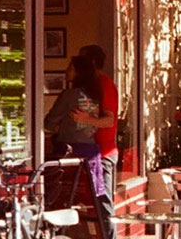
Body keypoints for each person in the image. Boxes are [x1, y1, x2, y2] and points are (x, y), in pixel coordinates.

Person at [45, 55, 106, 206]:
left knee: (66, 196)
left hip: (70, 151)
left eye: (71, 68)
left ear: (80, 73)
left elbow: (49, 122)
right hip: (91, 151)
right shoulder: (96, 96)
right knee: (91, 198)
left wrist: (56, 127)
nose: (67, 71)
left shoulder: (68, 95)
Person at [71, 44, 118, 239]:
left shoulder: (104, 84)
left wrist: (86, 120)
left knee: (102, 200)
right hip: (83, 151)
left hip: (102, 154)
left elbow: (110, 120)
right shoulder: (85, 87)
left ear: (91, 62)